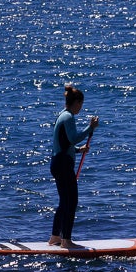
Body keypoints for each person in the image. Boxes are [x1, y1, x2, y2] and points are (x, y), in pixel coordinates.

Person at [49, 83, 99, 247]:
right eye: (81, 104)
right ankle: (66, 241)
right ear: (76, 102)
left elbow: (63, 144)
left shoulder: (61, 115)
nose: (81, 108)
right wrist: (89, 128)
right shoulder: (69, 117)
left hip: (57, 162)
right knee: (72, 201)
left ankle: (55, 237)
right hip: (63, 165)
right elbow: (73, 138)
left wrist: (79, 150)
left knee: (64, 201)